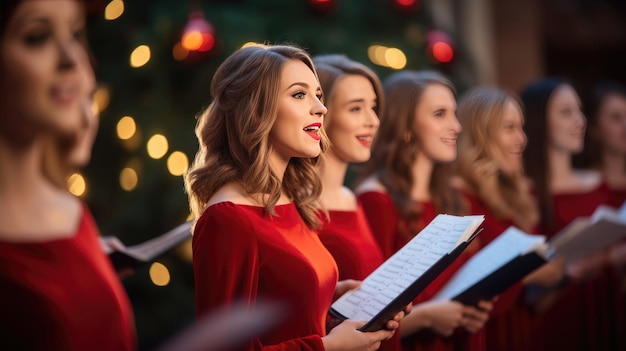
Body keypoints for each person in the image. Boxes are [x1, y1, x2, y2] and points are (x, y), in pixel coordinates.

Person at [185, 43, 405, 351]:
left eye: (318, 94)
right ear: (256, 109)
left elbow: (288, 316)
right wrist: (329, 347)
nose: (320, 108)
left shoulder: (289, 200)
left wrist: (334, 300)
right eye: (299, 94)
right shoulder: (227, 218)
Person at [0, 0, 136, 350]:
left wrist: (81, 275)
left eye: (75, 33)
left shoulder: (71, 211)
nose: (72, 58)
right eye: (37, 37)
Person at [356, 70, 492, 351]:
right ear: (405, 127)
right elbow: (363, 317)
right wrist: (427, 316)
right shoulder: (376, 199)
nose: (456, 126)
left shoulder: (451, 196)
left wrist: (473, 310)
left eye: (454, 113)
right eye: (440, 114)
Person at [452, 86, 566, 351]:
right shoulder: (458, 197)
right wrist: (527, 273)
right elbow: (460, 288)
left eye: (521, 127)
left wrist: (562, 274)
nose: (522, 139)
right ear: (481, 135)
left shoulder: (517, 193)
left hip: (526, 328)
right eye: (509, 128)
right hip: (488, 335)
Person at [520, 77, 613, 351]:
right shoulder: (525, 193)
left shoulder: (598, 183)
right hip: (551, 316)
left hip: (601, 305)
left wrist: (609, 257)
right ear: (538, 121)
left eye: (580, 110)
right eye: (565, 112)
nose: (580, 120)